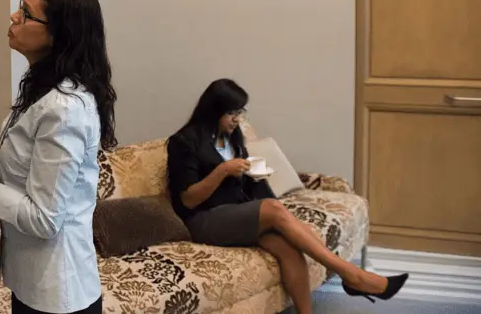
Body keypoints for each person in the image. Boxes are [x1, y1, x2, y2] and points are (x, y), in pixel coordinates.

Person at [166, 79, 408, 313]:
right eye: (231, 113)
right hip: (204, 221)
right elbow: (188, 199)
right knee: (273, 208)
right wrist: (223, 171)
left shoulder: (231, 135)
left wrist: (250, 176)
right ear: (213, 110)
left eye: (240, 112)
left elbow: (244, 184)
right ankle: (353, 275)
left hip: (237, 213)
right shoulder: (184, 142)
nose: (237, 119)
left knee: (289, 248)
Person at [0, 0, 116, 314]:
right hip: (31, 283)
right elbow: (23, 179)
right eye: (19, 7)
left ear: (58, 34)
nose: (14, 17)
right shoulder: (42, 89)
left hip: (58, 294)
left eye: (26, 13)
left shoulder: (65, 109)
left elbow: (44, 219)